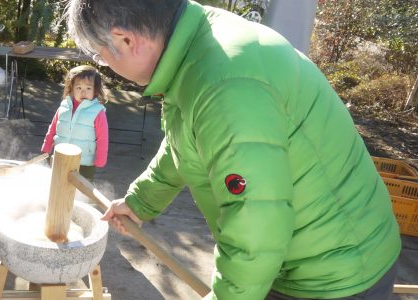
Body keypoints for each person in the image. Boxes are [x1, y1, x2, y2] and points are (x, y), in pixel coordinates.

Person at [65, 0, 401, 299]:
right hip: (307, 249)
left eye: (100, 55)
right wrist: (141, 201)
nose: (104, 65)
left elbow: (255, 223)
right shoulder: (195, 44)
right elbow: (187, 139)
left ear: (126, 39)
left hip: (333, 271)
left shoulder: (225, 85)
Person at [41, 65, 109, 182]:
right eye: (78, 88)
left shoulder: (97, 111)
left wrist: (100, 158)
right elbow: (52, 128)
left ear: (95, 90)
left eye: (88, 88)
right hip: (61, 157)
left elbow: (103, 138)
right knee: (58, 186)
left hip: (84, 162)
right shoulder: (64, 106)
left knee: (81, 194)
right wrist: (46, 146)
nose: (83, 92)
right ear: (71, 88)